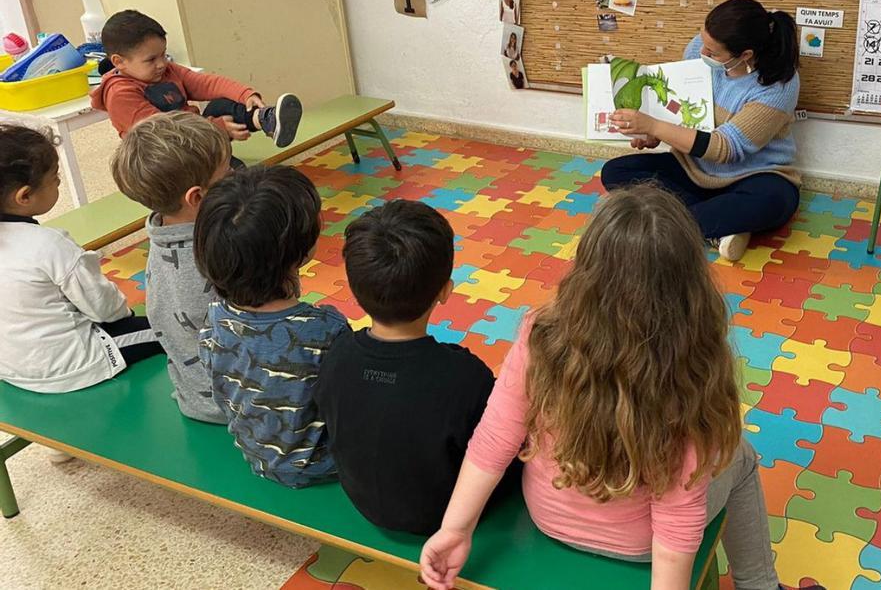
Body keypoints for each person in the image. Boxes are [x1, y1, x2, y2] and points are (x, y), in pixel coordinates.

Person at [420, 185, 780, 590]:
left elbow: (494, 438)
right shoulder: (693, 366)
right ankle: (761, 585)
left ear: (586, 268)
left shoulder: (542, 333)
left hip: (549, 515)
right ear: (692, 284)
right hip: (637, 539)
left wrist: (455, 529)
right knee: (743, 457)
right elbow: (678, 517)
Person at [315, 200, 497, 534]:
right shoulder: (468, 376)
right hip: (448, 515)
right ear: (445, 291)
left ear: (354, 292)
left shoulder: (335, 352)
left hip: (362, 503)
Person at [599, 0, 801, 262]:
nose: (701, 53)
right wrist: (651, 134)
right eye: (703, 42)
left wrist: (655, 126)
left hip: (755, 177)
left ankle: (683, 221)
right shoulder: (700, 48)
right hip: (693, 170)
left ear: (746, 55)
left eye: (713, 52)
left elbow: (724, 149)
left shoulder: (778, 86)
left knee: (774, 201)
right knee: (616, 171)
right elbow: (679, 105)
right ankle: (718, 226)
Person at [195, 165, 348, 488]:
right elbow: (350, 408)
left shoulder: (214, 316)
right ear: (303, 246)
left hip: (253, 452)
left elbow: (222, 391)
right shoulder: (326, 329)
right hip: (323, 464)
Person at [0, 125, 161, 394]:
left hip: (11, 367)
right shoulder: (50, 244)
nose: (59, 181)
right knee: (171, 330)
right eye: (55, 178)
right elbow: (105, 307)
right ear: (25, 196)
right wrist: (125, 314)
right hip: (74, 364)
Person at [111, 112, 233, 423]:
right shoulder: (211, 254)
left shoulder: (162, 231)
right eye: (227, 173)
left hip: (191, 393)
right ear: (197, 196)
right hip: (233, 405)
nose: (234, 176)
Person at [91, 10, 303, 150]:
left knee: (222, 103)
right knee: (231, 187)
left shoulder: (166, 70)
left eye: (163, 54)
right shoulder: (120, 94)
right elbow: (165, 130)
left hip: (195, 138)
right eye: (151, 59)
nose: (162, 64)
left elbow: (206, 83)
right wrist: (215, 128)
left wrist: (245, 93)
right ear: (119, 62)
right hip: (164, 155)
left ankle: (266, 119)